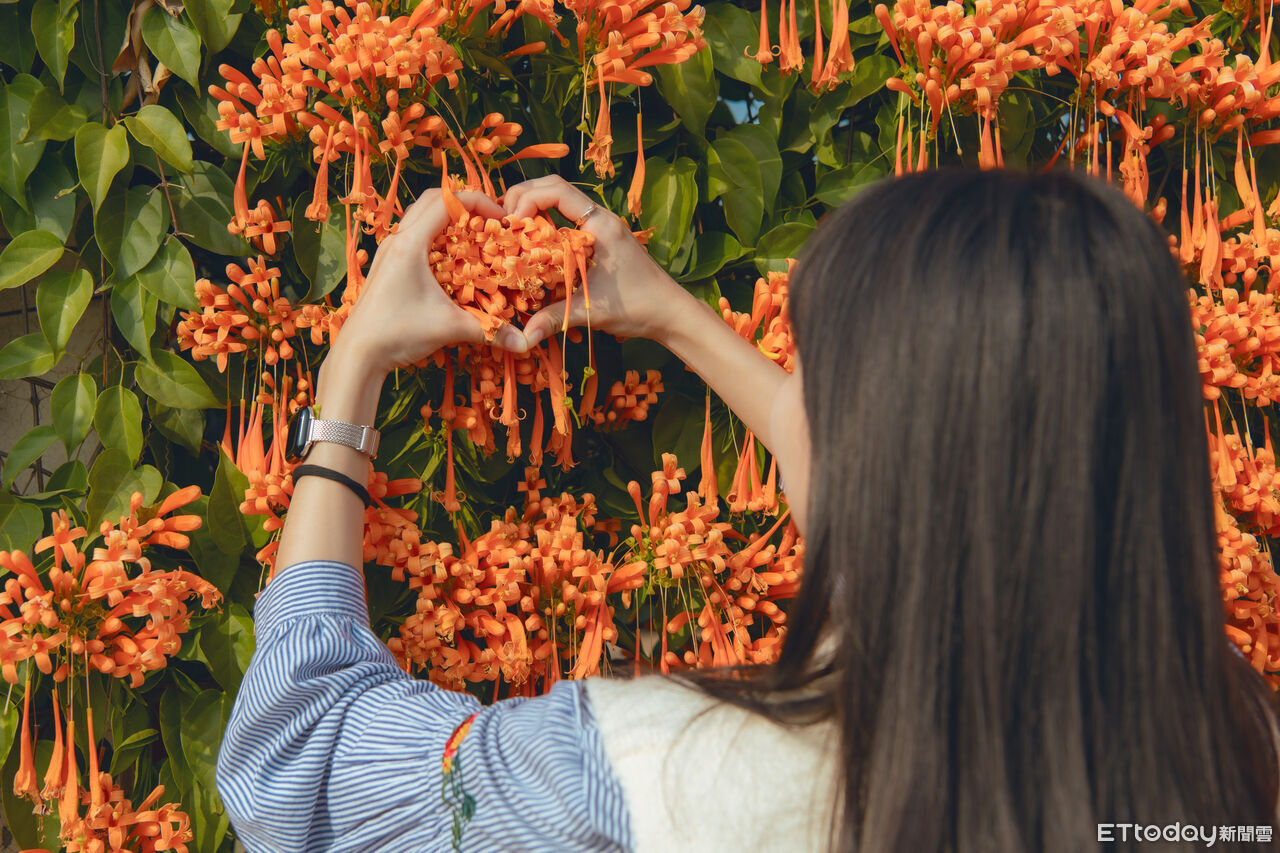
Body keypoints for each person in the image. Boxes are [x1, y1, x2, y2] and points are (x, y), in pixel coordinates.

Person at [215, 169, 1280, 852]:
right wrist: (671, 316)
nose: (791, 391)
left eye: (809, 364)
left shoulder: (641, 773)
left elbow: (296, 762)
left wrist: (351, 371)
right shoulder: (1231, 744)